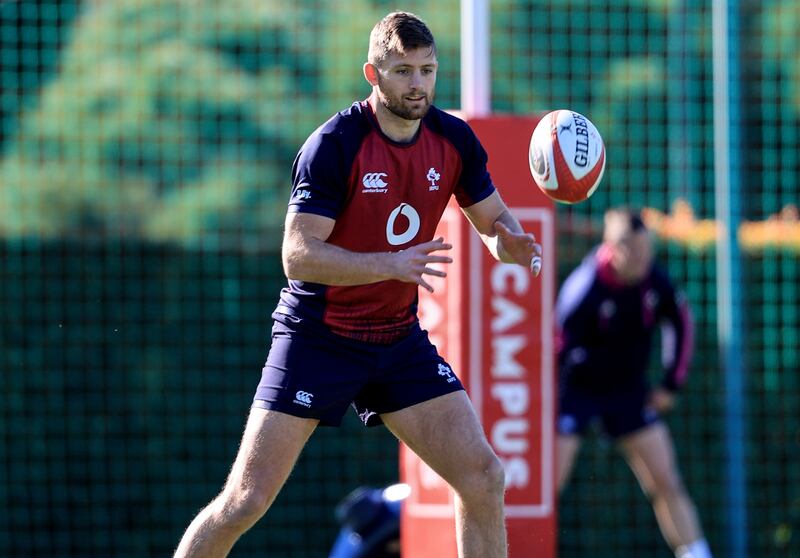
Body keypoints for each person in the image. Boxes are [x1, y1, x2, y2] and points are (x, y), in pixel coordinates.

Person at [173, 12, 543, 558]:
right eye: (402, 71)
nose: (417, 84)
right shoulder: (334, 144)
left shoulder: (453, 139)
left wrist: (509, 243)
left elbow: (493, 223)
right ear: (373, 73)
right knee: (246, 500)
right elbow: (297, 257)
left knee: (483, 476)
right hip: (317, 337)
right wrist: (390, 265)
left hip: (396, 340)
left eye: (427, 70)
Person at [555, 208, 712, 558]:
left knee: (665, 480)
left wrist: (671, 384)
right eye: (635, 253)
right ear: (612, 249)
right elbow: (555, 350)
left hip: (627, 391)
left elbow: (681, 322)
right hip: (576, 393)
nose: (644, 261)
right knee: (547, 486)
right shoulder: (584, 290)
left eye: (648, 252)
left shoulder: (653, 281)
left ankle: (698, 553)